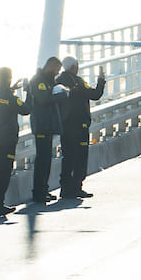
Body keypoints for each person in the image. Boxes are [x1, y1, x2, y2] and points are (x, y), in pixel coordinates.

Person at [55, 56, 106, 199]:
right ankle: (77, 187)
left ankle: (65, 189)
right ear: (73, 67)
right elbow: (95, 94)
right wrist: (101, 81)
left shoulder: (57, 82)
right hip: (79, 126)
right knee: (80, 157)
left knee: (67, 157)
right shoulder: (77, 81)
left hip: (64, 126)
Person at [0, 67, 30, 218]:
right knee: (5, 173)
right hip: (7, 140)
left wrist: (10, 89)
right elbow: (26, 109)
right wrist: (28, 92)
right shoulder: (11, 98)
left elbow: (3, 100)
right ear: (9, 78)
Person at [27, 56, 65, 203]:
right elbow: (43, 99)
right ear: (50, 66)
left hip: (48, 125)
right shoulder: (38, 80)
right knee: (42, 160)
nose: (57, 73)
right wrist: (58, 96)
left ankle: (44, 189)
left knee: (47, 159)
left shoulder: (49, 81)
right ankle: (38, 192)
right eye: (56, 69)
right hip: (41, 124)